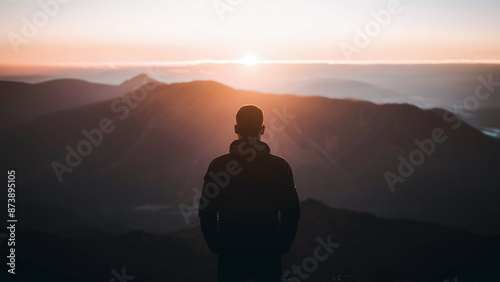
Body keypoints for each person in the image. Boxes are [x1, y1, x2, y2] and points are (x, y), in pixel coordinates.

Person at [199, 104, 301, 282]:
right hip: (268, 253)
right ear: (262, 129)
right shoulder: (279, 167)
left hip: (230, 253)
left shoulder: (219, 166)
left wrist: (217, 245)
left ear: (236, 129)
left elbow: (206, 211)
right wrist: (281, 246)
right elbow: (291, 211)